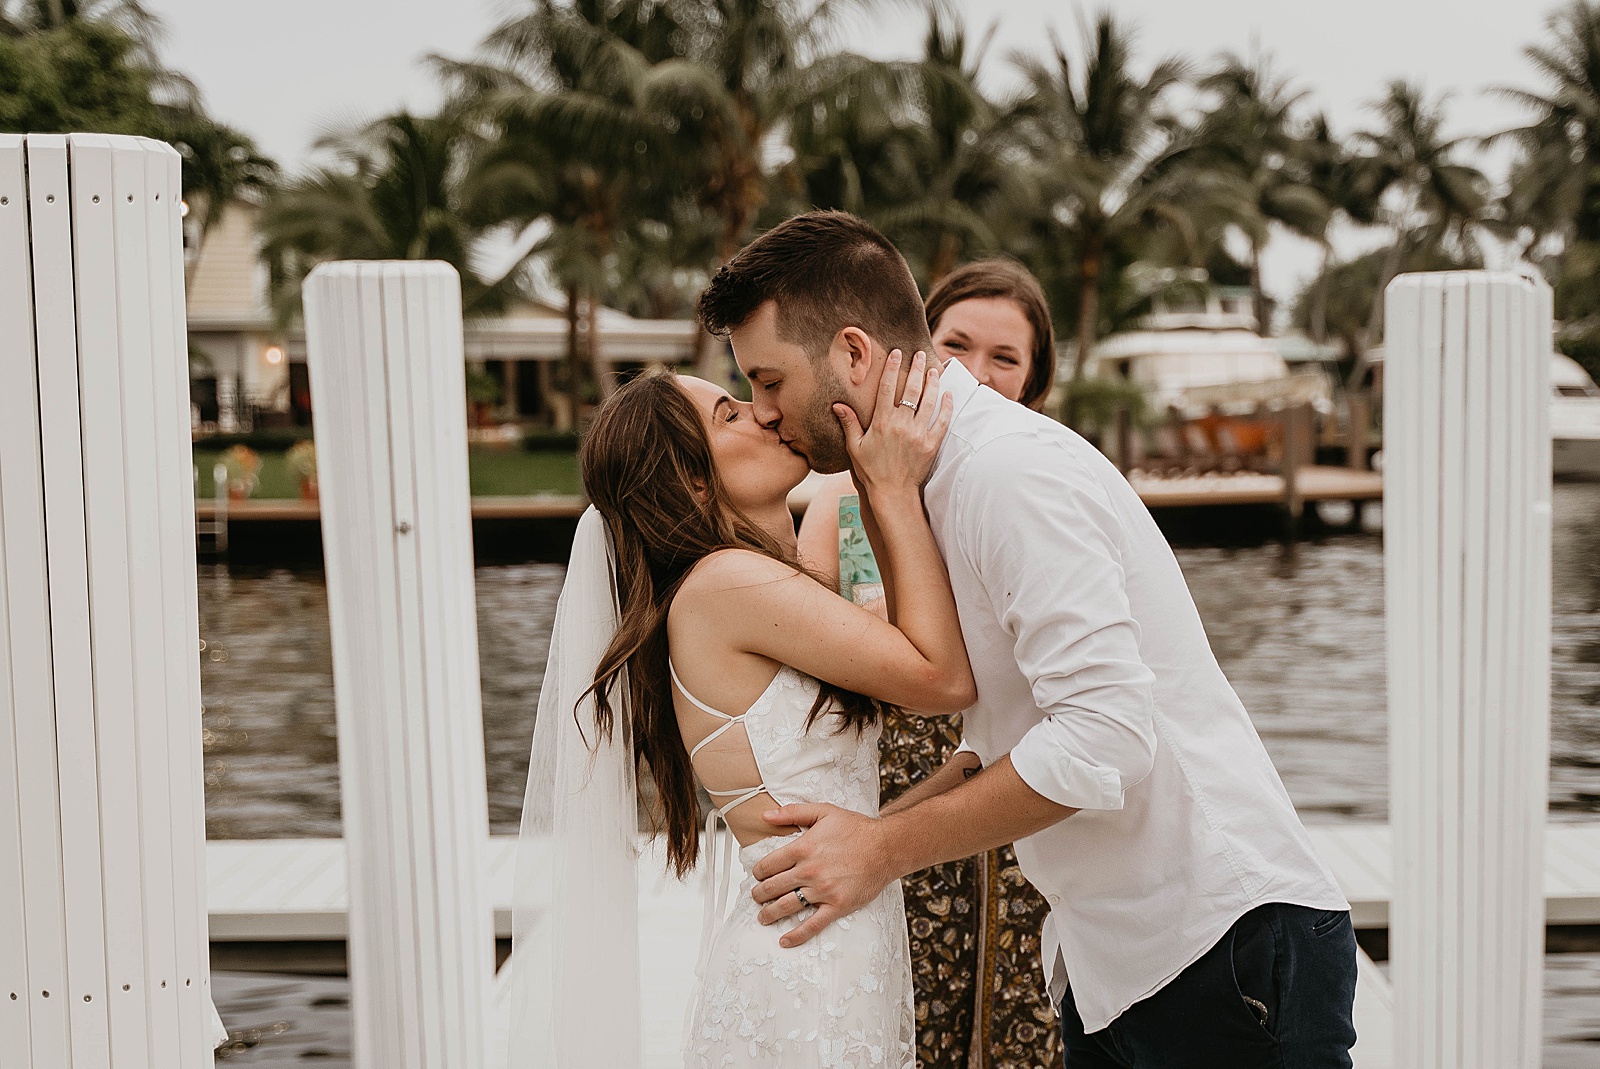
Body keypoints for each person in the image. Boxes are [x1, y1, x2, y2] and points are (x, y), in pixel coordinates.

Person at [697, 210, 1358, 1068]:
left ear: (853, 354)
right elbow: (991, 724)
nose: (764, 410)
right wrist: (860, 835)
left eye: (768, 379)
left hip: (1220, 949)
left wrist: (881, 850)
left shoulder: (1009, 474)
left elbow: (1105, 738)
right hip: (1114, 963)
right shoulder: (923, 479)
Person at [515, 357, 973, 1069]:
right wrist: (892, 488)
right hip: (804, 976)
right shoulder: (726, 584)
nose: (761, 413)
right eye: (729, 413)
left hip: (834, 944)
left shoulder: (753, 582)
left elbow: (832, 803)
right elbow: (942, 676)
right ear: (693, 479)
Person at [797, 259, 1064, 1069]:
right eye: (957, 344)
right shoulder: (846, 491)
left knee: (1029, 1015)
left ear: (1033, 380)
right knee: (918, 1011)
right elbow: (810, 616)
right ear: (913, 351)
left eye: (1005, 357)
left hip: (1023, 794)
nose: (977, 372)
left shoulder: (1041, 483)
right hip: (900, 795)